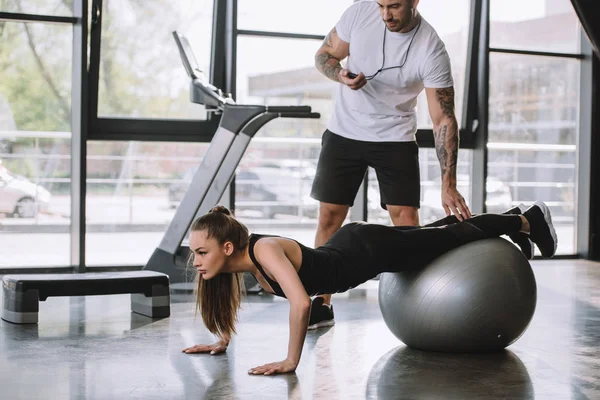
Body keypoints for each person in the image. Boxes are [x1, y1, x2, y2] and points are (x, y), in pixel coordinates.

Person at [181, 202, 557, 376]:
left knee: (449, 236)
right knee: (434, 235)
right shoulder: (241, 264)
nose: (195, 261)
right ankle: (511, 216)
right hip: (352, 245)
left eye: (201, 252)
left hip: (368, 251)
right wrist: (221, 340)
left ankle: (527, 220)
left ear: (226, 248)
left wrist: (291, 361)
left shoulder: (263, 249)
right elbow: (228, 303)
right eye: (194, 253)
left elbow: (300, 304)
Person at [310, 0, 472, 328]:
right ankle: (321, 302)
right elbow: (323, 56)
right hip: (344, 130)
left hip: (395, 137)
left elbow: (443, 118)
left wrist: (448, 183)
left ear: (414, 2)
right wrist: (340, 74)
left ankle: (413, 304)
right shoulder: (359, 13)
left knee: (406, 222)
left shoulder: (430, 48)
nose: (386, 14)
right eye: (381, 5)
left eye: (395, 6)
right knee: (330, 217)